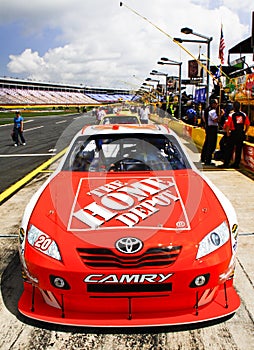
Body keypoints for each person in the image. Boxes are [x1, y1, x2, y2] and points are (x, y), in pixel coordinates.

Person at [219, 101, 250, 169]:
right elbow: (248, 124)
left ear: (234, 107)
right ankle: (236, 164)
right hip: (241, 133)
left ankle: (226, 163)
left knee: (229, 149)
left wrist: (228, 133)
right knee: (238, 150)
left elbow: (227, 125)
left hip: (233, 133)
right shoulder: (244, 114)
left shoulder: (231, 115)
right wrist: (245, 132)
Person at [200, 99, 218, 164]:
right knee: (211, 145)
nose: (217, 105)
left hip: (208, 127)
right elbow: (216, 120)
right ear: (213, 104)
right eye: (216, 103)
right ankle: (208, 160)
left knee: (207, 143)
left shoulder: (206, 110)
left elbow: (204, 119)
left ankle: (203, 157)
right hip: (212, 128)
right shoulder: (212, 111)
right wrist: (221, 114)